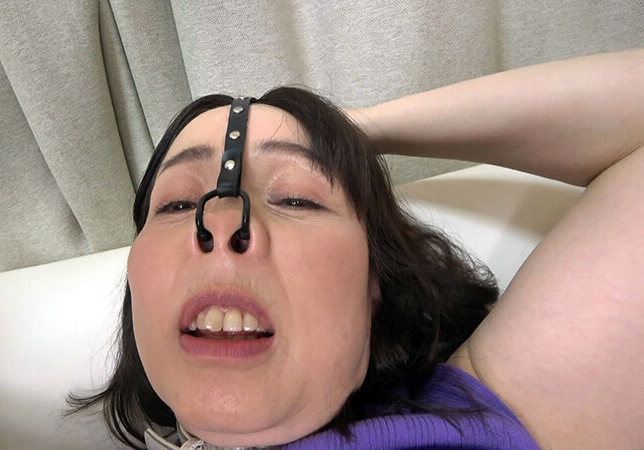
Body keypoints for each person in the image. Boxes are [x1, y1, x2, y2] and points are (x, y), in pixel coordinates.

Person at [68, 49, 644, 449]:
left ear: (374, 287)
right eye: (175, 204)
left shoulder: (483, 413)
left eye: (295, 198)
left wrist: (350, 133)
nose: (220, 223)